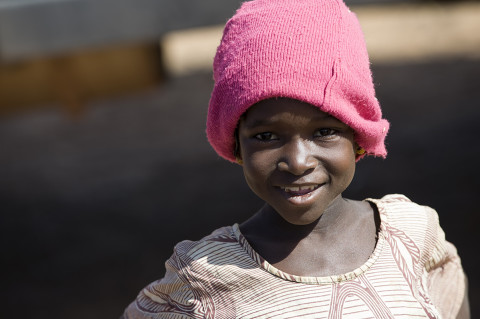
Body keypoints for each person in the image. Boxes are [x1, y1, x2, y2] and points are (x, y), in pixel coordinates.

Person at [122, 0, 469, 317]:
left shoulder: (413, 235)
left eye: (324, 132)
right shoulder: (205, 277)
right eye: (266, 136)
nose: (299, 162)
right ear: (236, 144)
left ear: (357, 135)